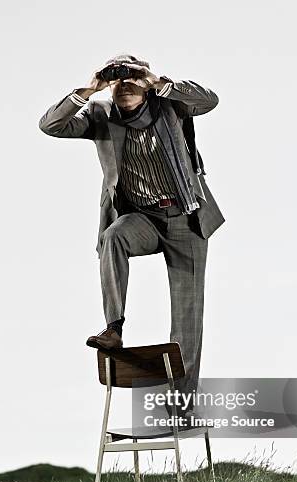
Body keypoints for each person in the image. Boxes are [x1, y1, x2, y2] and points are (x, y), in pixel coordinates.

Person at [39, 54, 225, 403]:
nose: (124, 83)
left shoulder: (172, 104)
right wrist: (89, 89)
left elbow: (209, 100)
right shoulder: (100, 116)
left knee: (187, 317)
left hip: (186, 218)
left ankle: (181, 405)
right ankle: (114, 328)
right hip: (143, 218)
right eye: (117, 77)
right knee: (113, 235)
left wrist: (156, 81)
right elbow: (51, 125)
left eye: (130, 75)